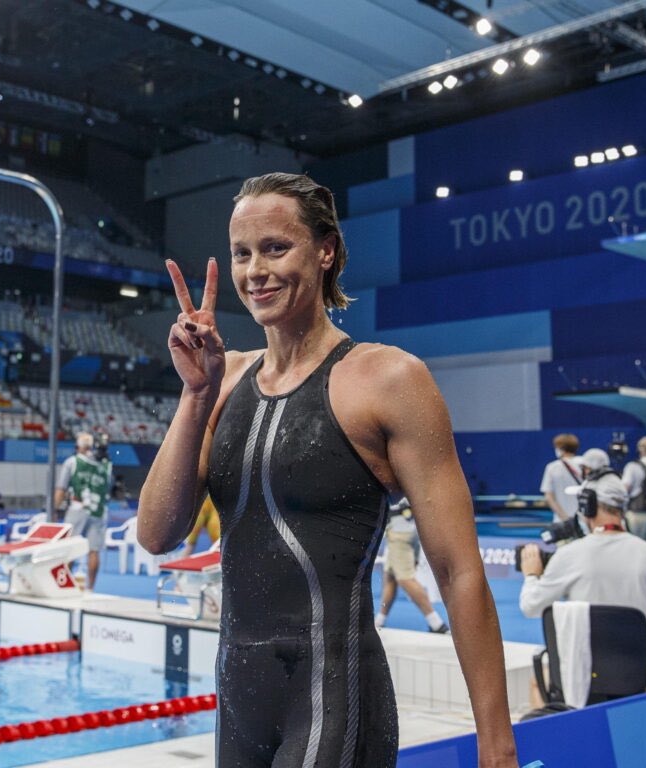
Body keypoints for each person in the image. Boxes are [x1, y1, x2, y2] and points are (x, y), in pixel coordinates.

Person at [136, 172, 518, 768]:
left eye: (275, 248)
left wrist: (497, 745)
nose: (255, 271)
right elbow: (157, 533)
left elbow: (458, 568)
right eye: (242, 253)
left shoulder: (387, 379)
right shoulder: (223, 378)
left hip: (336, 695)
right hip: (239, 696)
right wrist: (194, 395)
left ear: (326, 250)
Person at [519, 472, 646, 692]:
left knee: (538, 682)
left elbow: (531, 606)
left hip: (583, 680)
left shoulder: (567, 555)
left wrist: (532, 575)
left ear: (586, 506)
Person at [374, 496, 450, 633]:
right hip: (408, 527)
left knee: (405, 579)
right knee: (390, 577)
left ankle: (436, 623)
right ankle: (380, 620)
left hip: (399, 531)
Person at [54, 431, 113, 590]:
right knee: (94, 552)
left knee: (70, 547)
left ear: (78, 447)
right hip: (99, 510)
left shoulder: (72, 462)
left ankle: (65, 585)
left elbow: (61, 489)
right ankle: (90, 588)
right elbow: (108, 487)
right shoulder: (106, 465)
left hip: (77, 508)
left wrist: (53, 510)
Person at [539, 433, 582, 523]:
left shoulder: (552, 467)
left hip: (562, 521)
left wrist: (564, 518)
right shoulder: (585, 464)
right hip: (585, 520)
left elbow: (549, 497)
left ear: (560, 449)